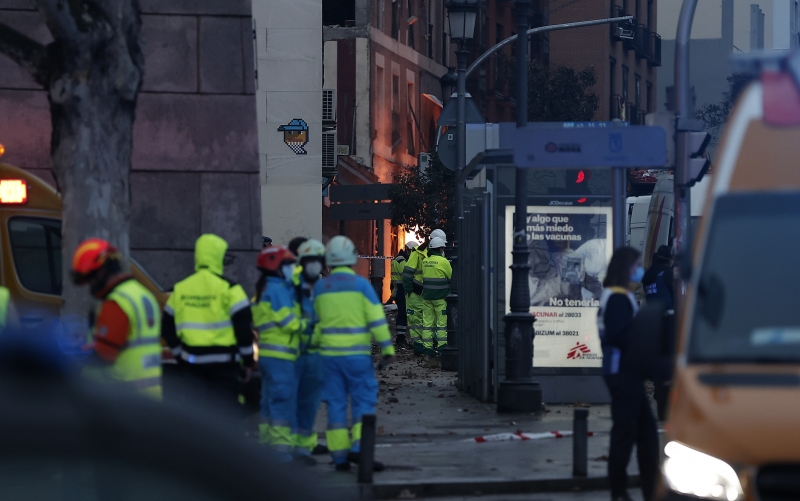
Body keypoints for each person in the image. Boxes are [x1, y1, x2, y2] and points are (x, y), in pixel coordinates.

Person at [313, 236, 395, 472]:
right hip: (358, 358)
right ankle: (360, 449)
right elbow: (377, 320)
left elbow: (313, 324)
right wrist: (387, 349)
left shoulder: (321, 288)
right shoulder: (361, 286)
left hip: (329, 359)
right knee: (363, 402)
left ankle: (339, 458)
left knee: (335, 405)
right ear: (351, 259)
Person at [161, 234, 254, 412]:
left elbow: (167, 328)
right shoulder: (231, 289)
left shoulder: (180, 289)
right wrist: (248, 363)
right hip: (226, 367)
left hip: (192, 366)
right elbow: (244, 330)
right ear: (219, 256)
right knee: (225, 418)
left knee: (198, 419)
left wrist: (181, 355)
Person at [597, 247, 659, 501]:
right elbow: (619, 335)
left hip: (624, 372)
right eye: (636, 265)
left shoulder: (618, 296)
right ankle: (621, 491)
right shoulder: (618, 299)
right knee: (627, 433)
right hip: (623, 373)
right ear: (626, 268)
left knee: (645, 433)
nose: (639, 271)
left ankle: (647, 489)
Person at [72, 238, 162, 399]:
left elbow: (105, 354)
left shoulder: (117, 302)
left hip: (121, 398)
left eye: (91, 277)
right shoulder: (142, 294)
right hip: (148, 395)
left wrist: (67, 355)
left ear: (103, 271)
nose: (91, 285)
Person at [251, 246, 305, 463]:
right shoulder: (278, 291)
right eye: (288, 265)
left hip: (267, 355)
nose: (292, 269)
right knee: (282, 402)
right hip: (281, 357)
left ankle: (266, 443)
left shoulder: (264, 289)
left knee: (268, 402)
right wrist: (308, 324)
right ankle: (281, 451)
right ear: (277, 268)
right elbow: (289, 323)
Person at [293, 239, 328, 459]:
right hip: (294, 352)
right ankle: (288, 450)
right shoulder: (290, 285)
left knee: (309, 404)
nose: (314, 265)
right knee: (291, 402)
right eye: (310, 261)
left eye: (318, 261)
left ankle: (304, 448)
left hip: (316, 355)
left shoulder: (325, 289)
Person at [642, 244, 675, 421]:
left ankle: (659, 390)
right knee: (669, 361)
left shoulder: (648, 277)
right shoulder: (667, 275)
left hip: (653, 321)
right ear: (669, 260)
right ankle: (664, 396)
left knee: (658, 360)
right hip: (668, 320)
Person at [403, 229, 446, 355]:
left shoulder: (438, 253)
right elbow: (407, 273)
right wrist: (409, 291)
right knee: (415, 320)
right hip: (416, 293)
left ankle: (428, 345)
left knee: (428, 320)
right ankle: (419, 346)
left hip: (428, 293)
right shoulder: (418, 253)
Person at [421, 237, 451, 360]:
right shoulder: (444, 261)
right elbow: (450, 276)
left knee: (427, 324)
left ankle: (427, 350)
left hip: (427, 297)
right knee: (441, 324)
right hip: (441, 297)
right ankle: (441, 348)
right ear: (440, 249)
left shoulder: (425, 261)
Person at [391, 241, 418, 347]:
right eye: (412, 251)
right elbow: (407, 276)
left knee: (405, 314)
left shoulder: (401, 259)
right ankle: (400, 338)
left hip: (401, 290)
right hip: (401, 290)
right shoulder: (401, 261)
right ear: (408, 249)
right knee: (402, 314)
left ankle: (402, 337)